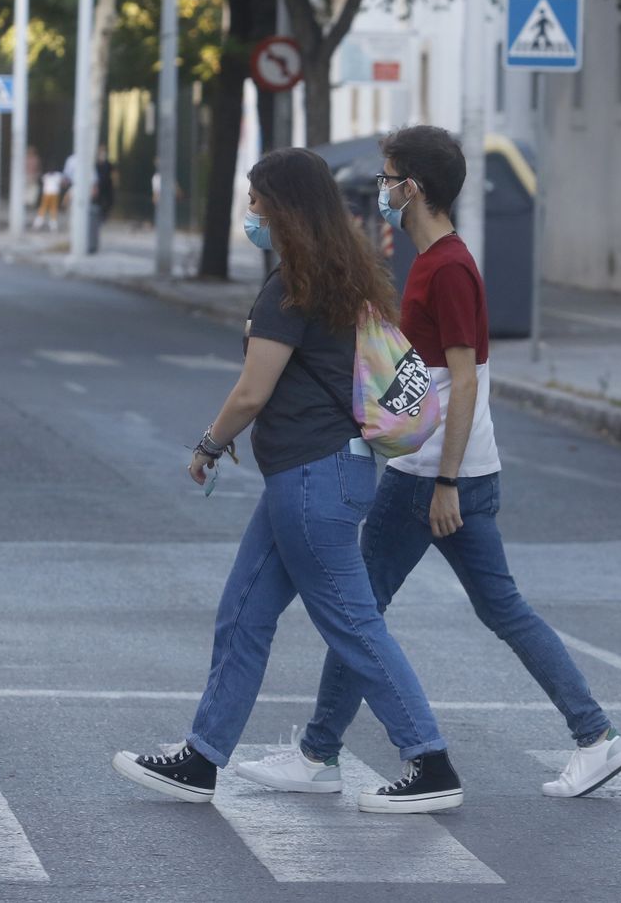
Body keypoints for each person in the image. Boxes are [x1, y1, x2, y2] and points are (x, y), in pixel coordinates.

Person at [235, 126, 621, 801]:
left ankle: (320, 754)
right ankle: (595, 736)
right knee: (493, 608)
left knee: (358, 612)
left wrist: (445, 480)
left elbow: (465, 378)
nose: (382, 191)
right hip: (452, 470)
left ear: (412, 189)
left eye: (388, 179)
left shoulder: (447, 268)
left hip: (432, 476)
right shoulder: (434, 261)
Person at [112, 147, 464, 814]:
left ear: (284, 209)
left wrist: (210, 444)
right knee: (243, 614)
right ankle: (201, 759)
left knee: (353, 626)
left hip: (313, 482)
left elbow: (253, 390)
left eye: (256, 201)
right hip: (317, 479)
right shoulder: (345, 276)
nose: (249, 213)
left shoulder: (291, 288)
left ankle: (430, 761)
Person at [94, 145, 115, 223]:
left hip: (107, 186)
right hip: (98, 186)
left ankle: (104, 216)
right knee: (98, 202)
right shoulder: (95, 164)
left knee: (108, 202)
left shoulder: (108, 164)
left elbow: (113, 174)